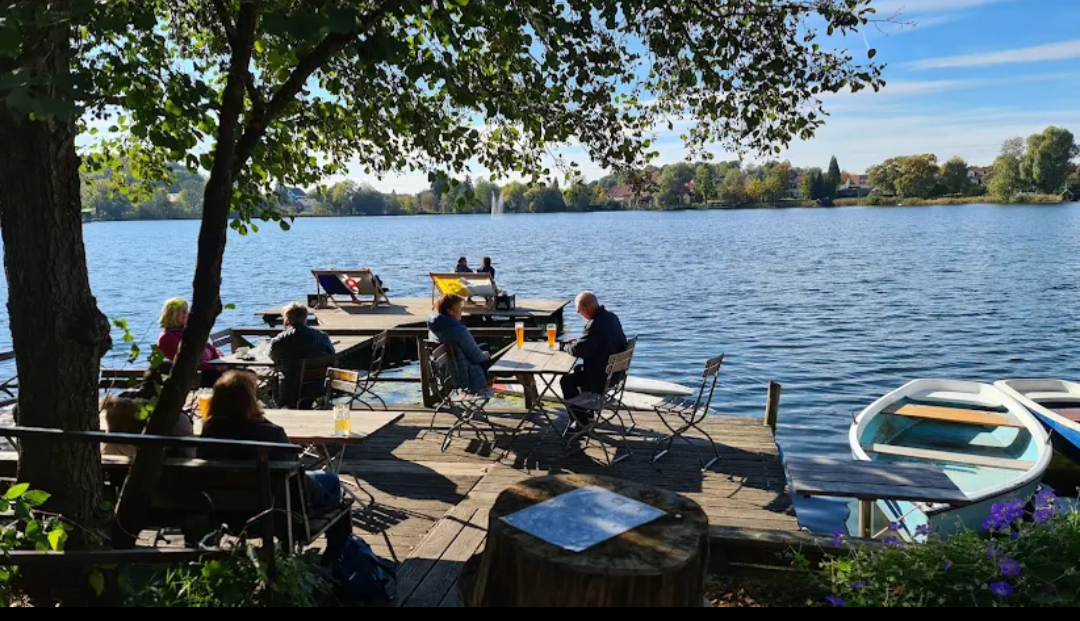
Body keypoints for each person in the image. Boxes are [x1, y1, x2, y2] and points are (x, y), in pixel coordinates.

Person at [199, 370, 349, 565]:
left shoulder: (209, 433)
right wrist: (261, 418)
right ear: (250, 401)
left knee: (317, 482)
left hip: (225, 515)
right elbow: (297, 477)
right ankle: (334, 561)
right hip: (276, 514)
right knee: (332, 481)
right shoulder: (271, 434)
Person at [560, 291, 628, 426]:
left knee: (566, 381)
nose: (580, 314)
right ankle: (588, 412)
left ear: (584, 309)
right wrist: (577, 343)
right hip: (616, 375)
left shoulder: (595, 325)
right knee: (579, 369)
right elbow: (591, 344)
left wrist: (564, 346)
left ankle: (580, 422)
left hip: (602, 380)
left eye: (579, 311)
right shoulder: (611, 317)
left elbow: (580, 350)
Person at [101, 361, 195, 458]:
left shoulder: (116, 408)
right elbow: (188, 451)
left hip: (111, 462)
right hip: (162, 465)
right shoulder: (178, 418)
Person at [269, 303, 336, 408]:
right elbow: (332, 355)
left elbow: (273, 358)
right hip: (319, 384)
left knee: (271, 375)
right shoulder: (322, 336)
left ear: (287, 320)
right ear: (305, 318)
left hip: (291, 388)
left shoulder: (279, 341)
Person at [427, 294, 492, 393]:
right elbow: (477, 357)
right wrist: (485, 355)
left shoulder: (433, 328)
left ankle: (488, 383)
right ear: (450, 311)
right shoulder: (458, 330)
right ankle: (485, 387)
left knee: (483, 346)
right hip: (463, 374)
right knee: (487, 351)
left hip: (445, 372)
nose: (461, 311)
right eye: (459, 308)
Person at [156, 298, 225, 387]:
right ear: (171, 314)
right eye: (181, 311)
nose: (186, 313)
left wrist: (221, 360)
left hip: (212, 368)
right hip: (198, 375)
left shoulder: (188, 331)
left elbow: (212, 348)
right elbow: (185, 363)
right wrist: (214, 366)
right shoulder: (167, 337)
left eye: (186, 310)